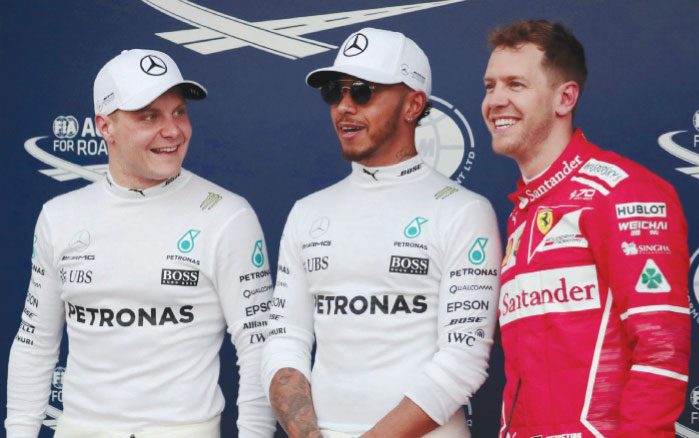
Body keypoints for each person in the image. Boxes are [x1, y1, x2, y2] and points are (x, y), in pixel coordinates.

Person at [6, 49, 276, 438]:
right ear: (105, 127)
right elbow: (34, 345)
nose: (172, 130)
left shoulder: (226, 215)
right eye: (150, 116)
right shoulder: (59, 215)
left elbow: (259, 349)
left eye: (179, 112)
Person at [261, 27, 501, 438]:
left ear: (413, 105)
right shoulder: (307, 213)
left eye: (363, 92)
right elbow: (285, 342)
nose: (344, 106)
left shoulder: (464, 211)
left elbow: (463, 360)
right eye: (334, 92)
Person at [481, 20, 691, 438]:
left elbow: (661, 349)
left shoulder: (622, 191)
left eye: (515, 84)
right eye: (490, 86)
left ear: (565, 97)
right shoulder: (523, 211)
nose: (496, 100)